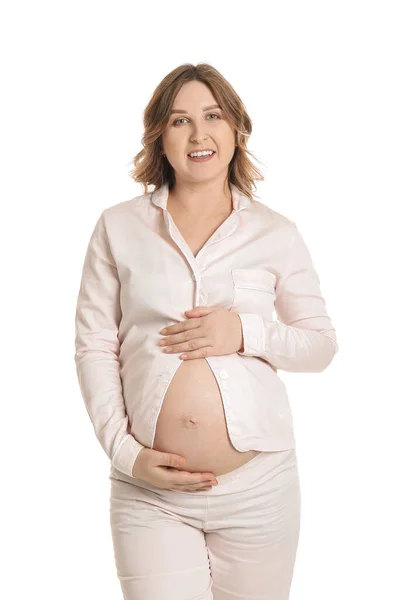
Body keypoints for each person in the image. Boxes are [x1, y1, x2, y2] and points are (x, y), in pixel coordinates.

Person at [74, 62, 338, 600]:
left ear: (236, 130)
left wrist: (245, 332)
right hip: (149, 493)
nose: (199, 134)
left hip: (259, 489)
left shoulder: (276, 233)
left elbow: (320, 345)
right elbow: (95, 345)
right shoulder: (118, 227)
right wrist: (125, 454)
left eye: (213, 116)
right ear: (160, 138)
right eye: (179, 120)